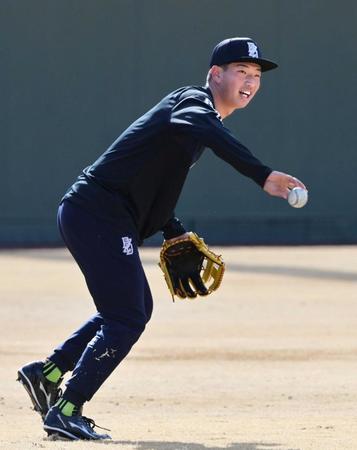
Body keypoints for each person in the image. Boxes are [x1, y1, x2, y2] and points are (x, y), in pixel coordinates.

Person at [17, 37, 306, 441]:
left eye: (256, 75)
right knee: (128, 316)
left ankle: (47, 373)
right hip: (98, 213)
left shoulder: (199, 122)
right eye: (241, 71)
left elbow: (153, 181)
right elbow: (201, 126)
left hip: (99, 214)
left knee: (128, 309)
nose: (251, 81)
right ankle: (67, 408)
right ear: (215, 75)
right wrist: (262, 174)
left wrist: (174, 229)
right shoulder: (192, 103)